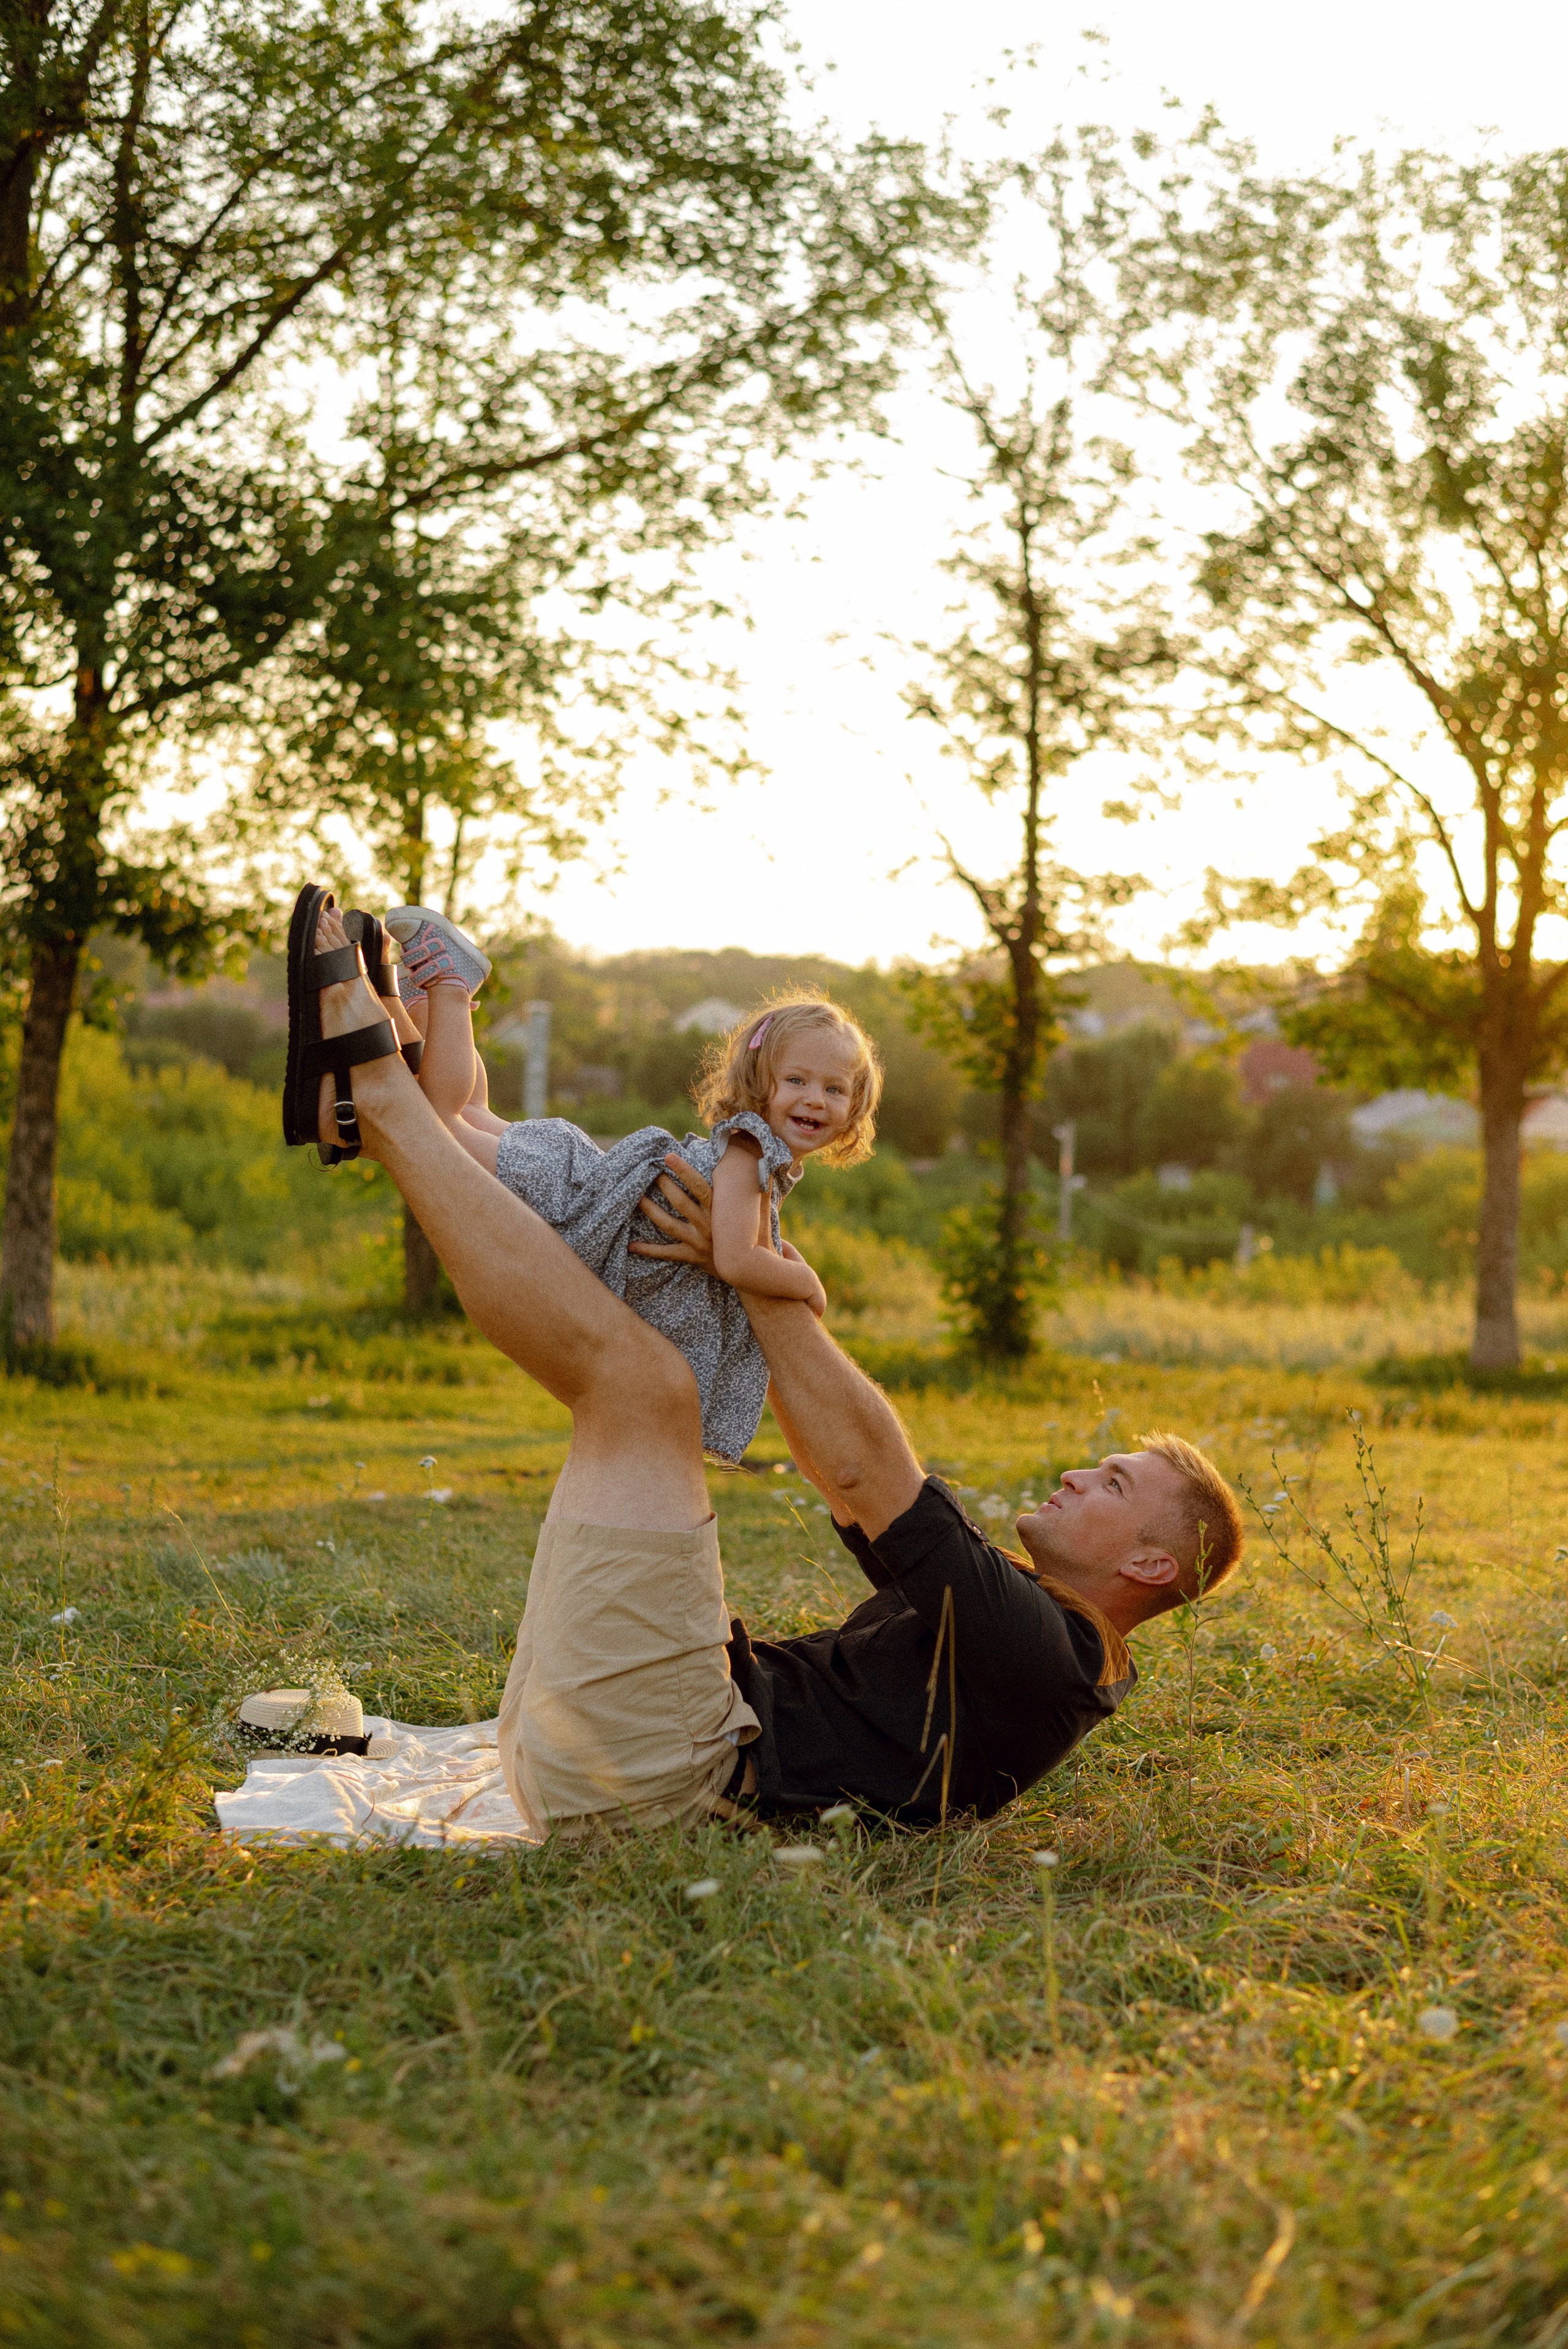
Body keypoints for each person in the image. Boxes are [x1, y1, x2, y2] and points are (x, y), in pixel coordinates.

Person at [285, 891, 1245, 1834]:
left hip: (659, 1772)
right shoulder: (1020, 1619)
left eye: (1115, 1482)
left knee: (647, 1389)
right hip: (638, 1741)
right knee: (650, 1383)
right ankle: (395, 1090)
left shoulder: (1059, 1659)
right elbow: (841, 1471)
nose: (1080, 1472)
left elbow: (875, 1469)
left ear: (1154, 1560)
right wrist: (746, 1274)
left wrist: (757, 1277)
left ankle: (384, 1104)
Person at [357, 905, 883, 1463]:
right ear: (762, 1084)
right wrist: (805, 1282)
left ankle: (411, 998)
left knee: (469, 1110)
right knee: (441, 1122)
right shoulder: (749, 1150)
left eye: (833, 1089)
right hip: (576, 1191)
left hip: (582, 1176)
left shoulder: (760, 1158)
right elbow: (735, 1258)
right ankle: (451, 988)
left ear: (854, 1106)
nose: (814, 1099)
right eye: (797, 1080)